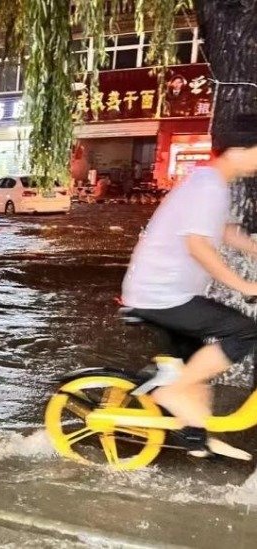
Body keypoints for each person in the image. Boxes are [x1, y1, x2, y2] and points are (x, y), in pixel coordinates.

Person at [122, 113, 257, 456]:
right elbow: (198, 246)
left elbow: (223, 231)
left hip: (168, 291)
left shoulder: (211, 183)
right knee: (243, 332)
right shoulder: (208, 186)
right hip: (163, 295)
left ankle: (195, 434)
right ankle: (171, 391)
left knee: (200, 366)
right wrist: (245, 286)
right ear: (239, 149)